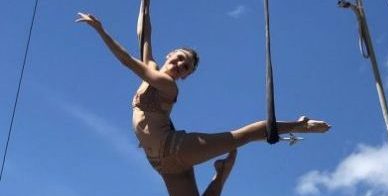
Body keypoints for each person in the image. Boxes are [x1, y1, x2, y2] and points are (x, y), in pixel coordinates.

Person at [76, 1, 330, 195]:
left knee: (242, 136)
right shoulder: (152, 67)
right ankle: (221, 175)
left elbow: (125, 61)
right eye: (179, 59)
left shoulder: (167, 85)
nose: (179, 66)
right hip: (162, 164)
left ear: (185, 76)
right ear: (170, 54)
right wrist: (145, 3)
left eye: (185, 68)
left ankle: (300, 124)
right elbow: (144, 34)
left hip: (175, 148)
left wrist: (101, 30)